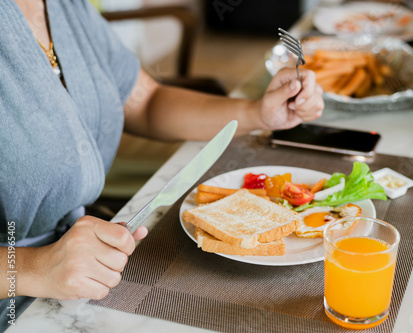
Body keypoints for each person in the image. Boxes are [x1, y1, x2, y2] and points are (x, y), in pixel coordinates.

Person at [0, 0, 324, 327]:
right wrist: (30, 268)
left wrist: (257, 113)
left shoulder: (65, 7)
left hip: (82, 271)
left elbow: (144, 100)